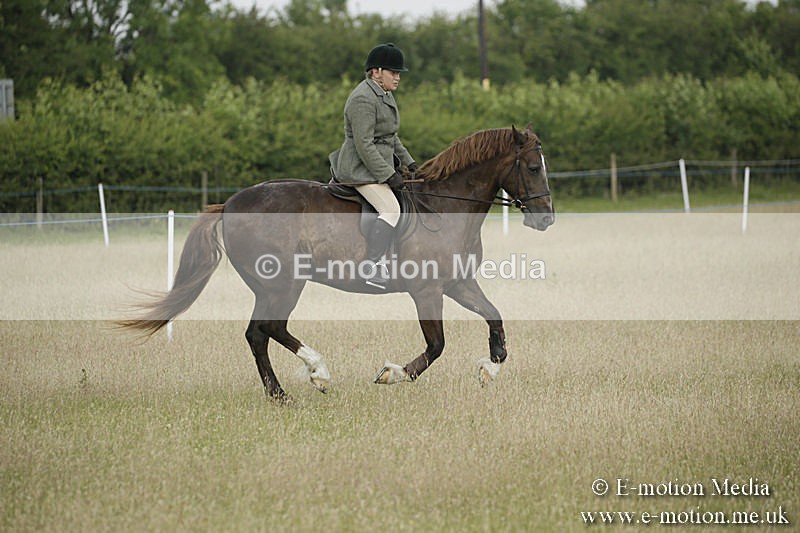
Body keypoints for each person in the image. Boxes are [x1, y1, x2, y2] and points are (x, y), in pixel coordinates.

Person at [329, 43, 417, 290]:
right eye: (394, 72)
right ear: (376, 71)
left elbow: (391, 137)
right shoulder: (362, 99)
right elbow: (365, 145)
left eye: (399, 73)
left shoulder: (384, 94)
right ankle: (372, 266)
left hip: (376, 166)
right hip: (358, 169)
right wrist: (388, 175)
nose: (398, 77)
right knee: (391, 209)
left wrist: (411, 163)